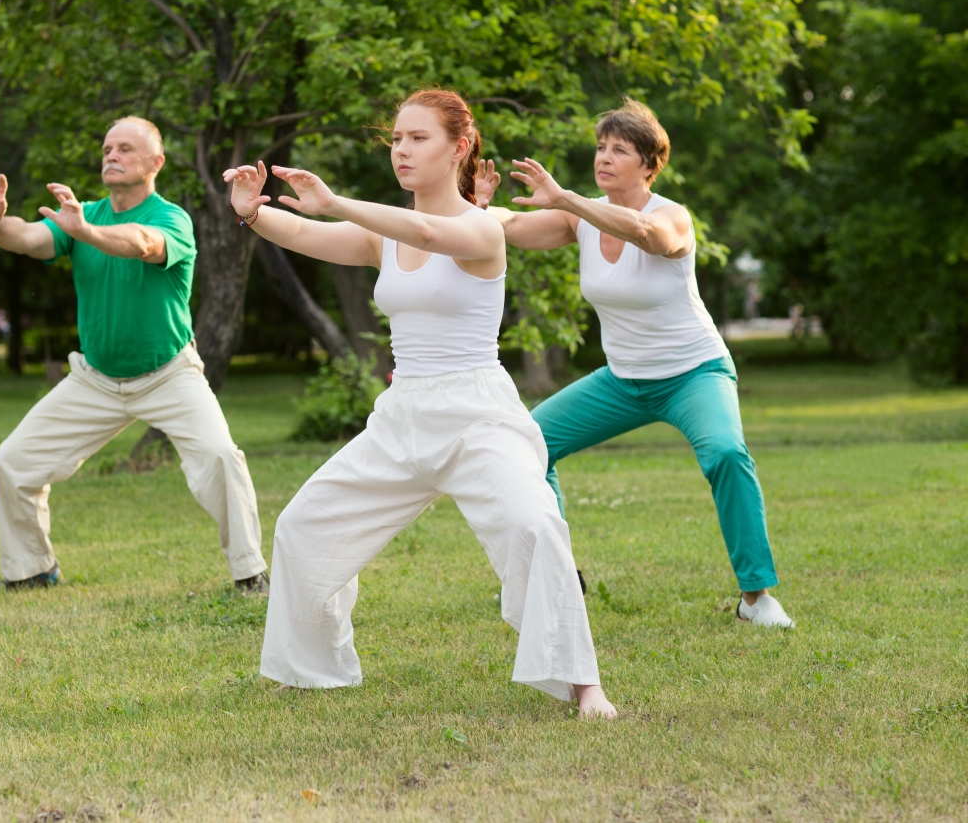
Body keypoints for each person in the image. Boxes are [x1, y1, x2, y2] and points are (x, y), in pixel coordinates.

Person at [224, 89, 618, 718]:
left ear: (459, 148)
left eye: (417, 139)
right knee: (302, 526)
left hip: (478, 418)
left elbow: (432, 229)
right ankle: (312, 671)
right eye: (397, 140)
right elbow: (305, 232)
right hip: (402, 417)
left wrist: (335, 200)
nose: (401, 151)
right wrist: (252, 213)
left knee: (535, 526)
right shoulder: (383, 236)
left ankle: (582, 683)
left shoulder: (482, 227)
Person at [475, 98, 793, 628]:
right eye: (601, 147)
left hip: (694, 373)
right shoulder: (578, 220)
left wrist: (568, 199)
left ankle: (756, 598)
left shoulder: (671, 215)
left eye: (619, 149)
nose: (605, 157)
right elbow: (508, 227)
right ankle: (558, 576)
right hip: (622, 381)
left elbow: (650, 237)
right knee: (528, 444)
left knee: (725, 454)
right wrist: (477, 208)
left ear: (649, 165)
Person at [0, 116, 268, 595]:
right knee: (13, 461)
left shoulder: (171, 219)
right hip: (96, 380)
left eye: (126, 149)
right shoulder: (79, 215)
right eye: (108, 148)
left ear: (155, 163)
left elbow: (142, 244)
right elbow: (25, 238)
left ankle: (250, 572)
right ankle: (32, 570)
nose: (112, 155)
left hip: (169, 374)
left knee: (219, 458)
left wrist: (84, 232)